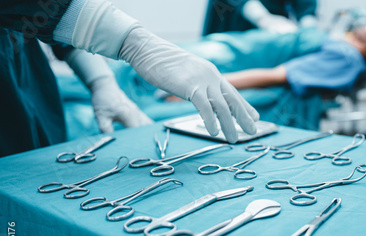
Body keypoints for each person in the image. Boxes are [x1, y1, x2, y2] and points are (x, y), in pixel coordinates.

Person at [0, 0, 258, 157]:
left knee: (37, 180)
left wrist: (100, 81)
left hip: (25, 70)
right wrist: (134, 43)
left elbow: (39, 17)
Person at [221, 8, 366, 97]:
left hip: (232, 60)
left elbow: (273, 75)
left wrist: (216, 82)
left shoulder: (346, 59)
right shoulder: (343, 41)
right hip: (235, 46)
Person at [203, 0, 317, 35]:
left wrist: (308, 19)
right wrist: (262, 17)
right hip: (231, 24)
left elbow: (306, 4)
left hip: (275, 34)